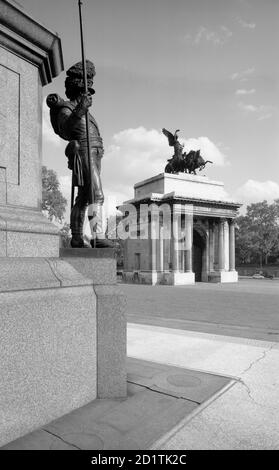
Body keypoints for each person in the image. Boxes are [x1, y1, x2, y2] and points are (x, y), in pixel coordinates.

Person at [47, 60, 112, 248]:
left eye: (89, 93)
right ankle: (97, 236)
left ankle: (76, 237)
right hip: (84, 153)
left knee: (83, 198)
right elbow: (66, 131)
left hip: (94, 154)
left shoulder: (86, 112)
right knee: (96, 195)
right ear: (78, 90)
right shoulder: (66, 108)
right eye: (86, 91)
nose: (89, 96)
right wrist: (81, 109)